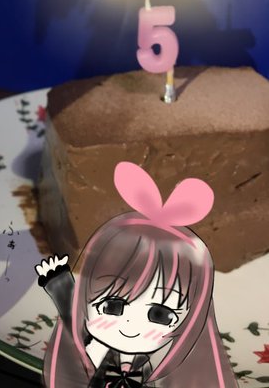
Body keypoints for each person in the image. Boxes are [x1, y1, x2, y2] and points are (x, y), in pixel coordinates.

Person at [35, 162, 238, 387]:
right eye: (112, 306)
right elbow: (74, 323)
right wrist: (60, 285)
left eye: (160, 315)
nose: (130, 326)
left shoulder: (156, 366)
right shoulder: (91, 352)